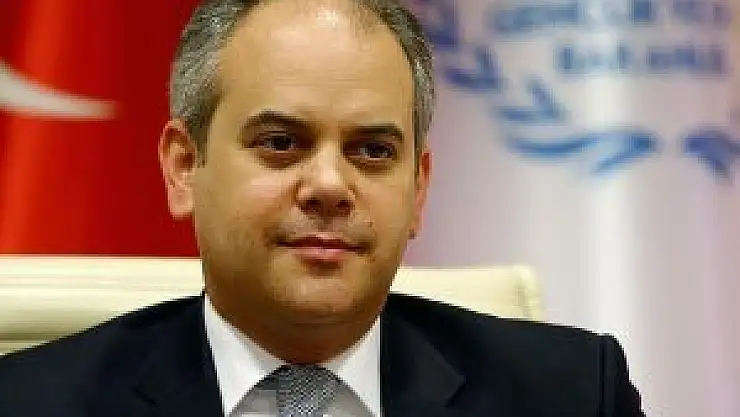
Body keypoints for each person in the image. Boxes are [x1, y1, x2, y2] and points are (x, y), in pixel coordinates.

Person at [0, 0, 645, 416]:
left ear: (418, 189)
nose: (331, 185)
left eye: (372, 150)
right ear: (184, 167)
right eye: (281, 143)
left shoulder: (571, 395)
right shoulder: (29, 403)